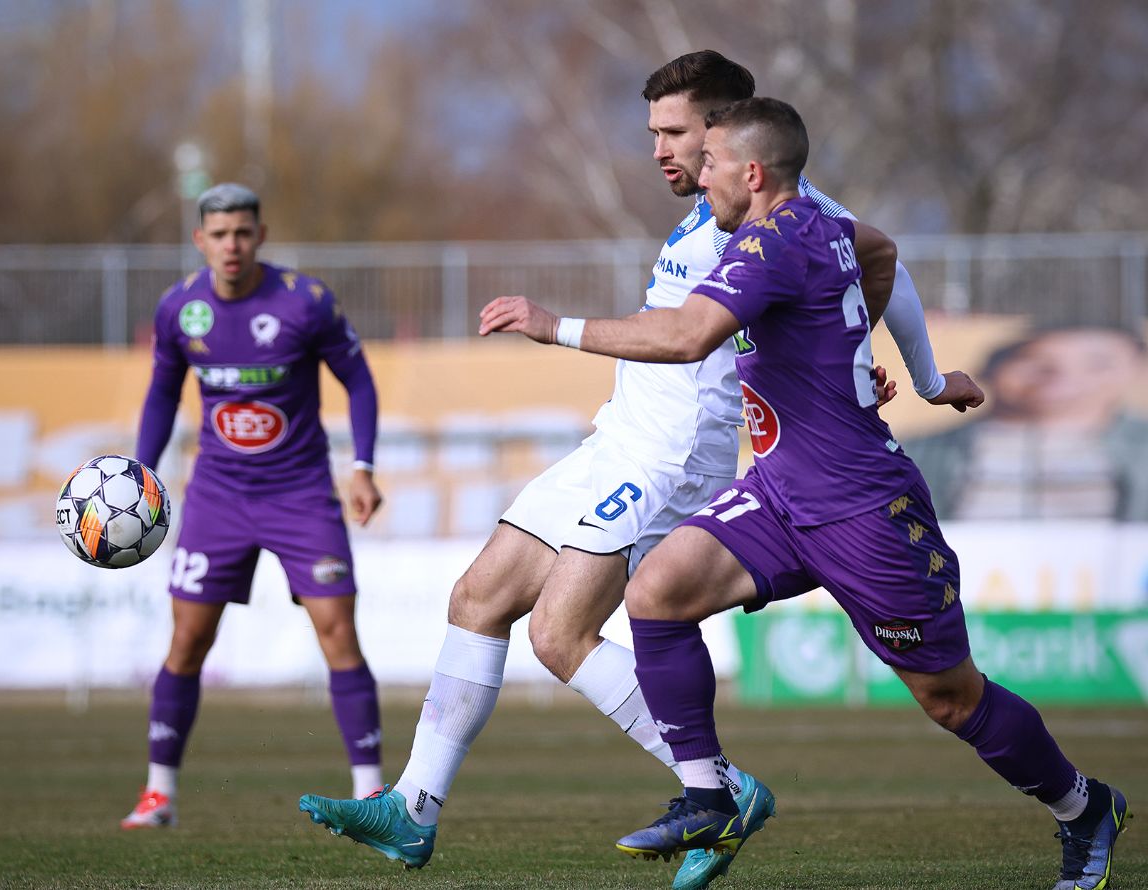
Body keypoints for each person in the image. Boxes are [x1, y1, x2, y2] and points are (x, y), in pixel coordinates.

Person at [298, 51, 979, 888]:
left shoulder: (783, 218)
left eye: (674, 132)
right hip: (617, 438)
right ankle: (413, 808)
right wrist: (849, 356)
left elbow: (885, 265)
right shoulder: (707, 210)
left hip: (673, 456)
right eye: (652, 131)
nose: (657, 149)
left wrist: (920, 378)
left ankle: (722, 789)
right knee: (477, 598)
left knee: (559, 634)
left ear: (724, 133)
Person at [481, 97, 1129, 889]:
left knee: (951, 698)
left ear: (752, 173)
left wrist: (554, 326)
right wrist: (854, 359)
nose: (700, 177)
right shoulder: (820, 226)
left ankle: (1084, 806)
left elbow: (686, 336)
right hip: (779, 496)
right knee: (657, 592)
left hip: (864, 511)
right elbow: (881, 251)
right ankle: (710, 798)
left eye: (712, 163)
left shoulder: (772, 242)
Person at [120, 183, 386, 829]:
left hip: (301, 495)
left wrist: (362, 467)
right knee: (188, 640)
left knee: (338, 632)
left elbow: (358, 380)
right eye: (219, 234)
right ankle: (158, 794)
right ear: (200, 240)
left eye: (242, 232)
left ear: (260, 236)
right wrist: (143, 472)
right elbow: (162, 393)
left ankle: (373, 795)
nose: (231, 245)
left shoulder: (305, 301)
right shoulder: (180, 309)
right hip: (217, 497)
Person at [903, 324, 1148, 521]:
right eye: (1033, 359)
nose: (1060, 376)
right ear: (988, 369)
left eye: (1096, 364)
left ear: (1135, 370)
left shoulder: (1140, 449)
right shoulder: (916, 453)